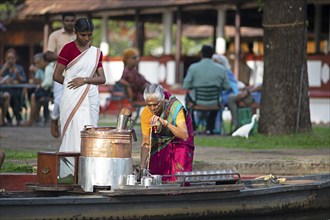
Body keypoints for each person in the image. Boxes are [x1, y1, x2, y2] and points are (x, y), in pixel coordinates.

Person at [53, 17, 106, 153]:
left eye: (89, 35)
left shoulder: (95, 53)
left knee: (90, 128)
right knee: (73, 129)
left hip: (91, 95)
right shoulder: (68, 49)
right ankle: (70, 166)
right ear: (76, 32)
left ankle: (87, 161)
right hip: (72, 96)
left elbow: (102, 78)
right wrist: (71, 86)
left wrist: (83, 81)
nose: (86, 38)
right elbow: (57, 75)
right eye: (83, 35)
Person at [140, 84, 194, 182]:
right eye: (149, 105)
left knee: (178, 178)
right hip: (161, 146)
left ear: (163, 100)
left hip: (180, 143)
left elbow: (184, 135)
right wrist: (142, 166)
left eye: (156, 104)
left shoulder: (175, 109)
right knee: (155, 174)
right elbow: (146, 142)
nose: (153, 108)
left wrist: (165, 123)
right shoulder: (146, 113)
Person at [182, 45, 230, 135]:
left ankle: (193, 128)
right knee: (218, 99)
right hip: (214, 102)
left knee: (187, 99)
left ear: (201, 54)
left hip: (197, 101)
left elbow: (185, 85)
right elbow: (227, 86)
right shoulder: (221, 69)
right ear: (212, 55)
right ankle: (209, 128)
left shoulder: (193, 68)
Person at [47, 12, 76, 138]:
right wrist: (64, 58)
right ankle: (54, 119)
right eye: (67, 20)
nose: (70, 22)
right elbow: (48, 54)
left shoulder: (79, 35)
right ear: (63, 22)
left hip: (76, 73)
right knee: (59, 101)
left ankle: (69, 129)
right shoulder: (55, 35)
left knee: (73, 102)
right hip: (60, 72)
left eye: (72, 20)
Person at [24, 52, 56, 126]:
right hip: (46, 90)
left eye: (38, 63)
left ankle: (31, 120)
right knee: (32, 94)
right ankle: (34, 118)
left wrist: (41, 85)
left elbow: (48, 83)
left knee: (34, 96)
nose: (37, 65)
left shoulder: (49, 68)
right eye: (36, 63)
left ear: (43, 60)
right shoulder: (40, 70)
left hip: (52, 91)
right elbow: (36, 80)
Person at [0, 48, 27, 126]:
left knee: (16, 97)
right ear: (5, 59)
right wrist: (3, 69)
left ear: (15, 59)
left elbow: (23, 80)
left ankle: (18, 118)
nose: (10, 60)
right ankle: (8, 119)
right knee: (4, 97)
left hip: (16, 91)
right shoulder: (2, 67)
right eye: (8, 58)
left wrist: (18, 75)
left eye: (12, 58)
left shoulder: (19, 68)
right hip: (4, 90)